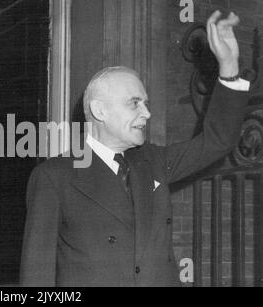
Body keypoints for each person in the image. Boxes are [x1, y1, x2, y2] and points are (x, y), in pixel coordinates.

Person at [20, 11, 250, 286]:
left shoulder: (154, 161)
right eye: (134, 103)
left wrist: (229, 65)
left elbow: (217, 141)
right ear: (99, 110)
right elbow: (36, 277)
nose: (147, 113)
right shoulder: (54, 176)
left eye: (146, 103)